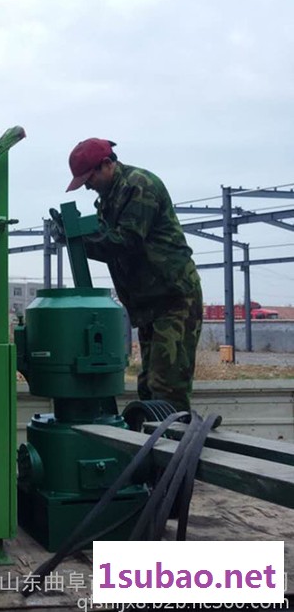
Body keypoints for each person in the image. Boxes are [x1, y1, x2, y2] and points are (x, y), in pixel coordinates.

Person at [57, 137, 202, 412]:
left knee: (167, 387)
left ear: (107, 164)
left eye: (89, 178)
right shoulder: (109, 198)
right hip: (149, 303)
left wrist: (77, 240)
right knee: (148, 385)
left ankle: (176, 449)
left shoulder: (139, 186)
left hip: (173, 300)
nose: (87, 186)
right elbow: (106, 237)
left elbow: (126, 242)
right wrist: (71, 233)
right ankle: (154, 447)